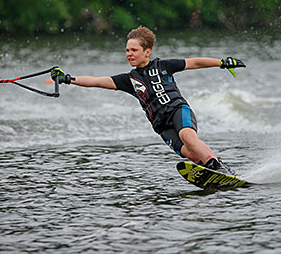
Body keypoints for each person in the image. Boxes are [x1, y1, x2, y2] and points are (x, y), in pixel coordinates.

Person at [51, 26, 246, 175]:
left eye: (134, 50)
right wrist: (68, 78)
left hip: (178, 110)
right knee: (189, 153)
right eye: (127, 50)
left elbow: (194, 62)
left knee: (188, 136)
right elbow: (96, 81)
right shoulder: (128, 80)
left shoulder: (163, 65)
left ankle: (219, 168)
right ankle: (213, 169)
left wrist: (222, 62)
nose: (129, 54)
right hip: (161, 125)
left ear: (147, 51)